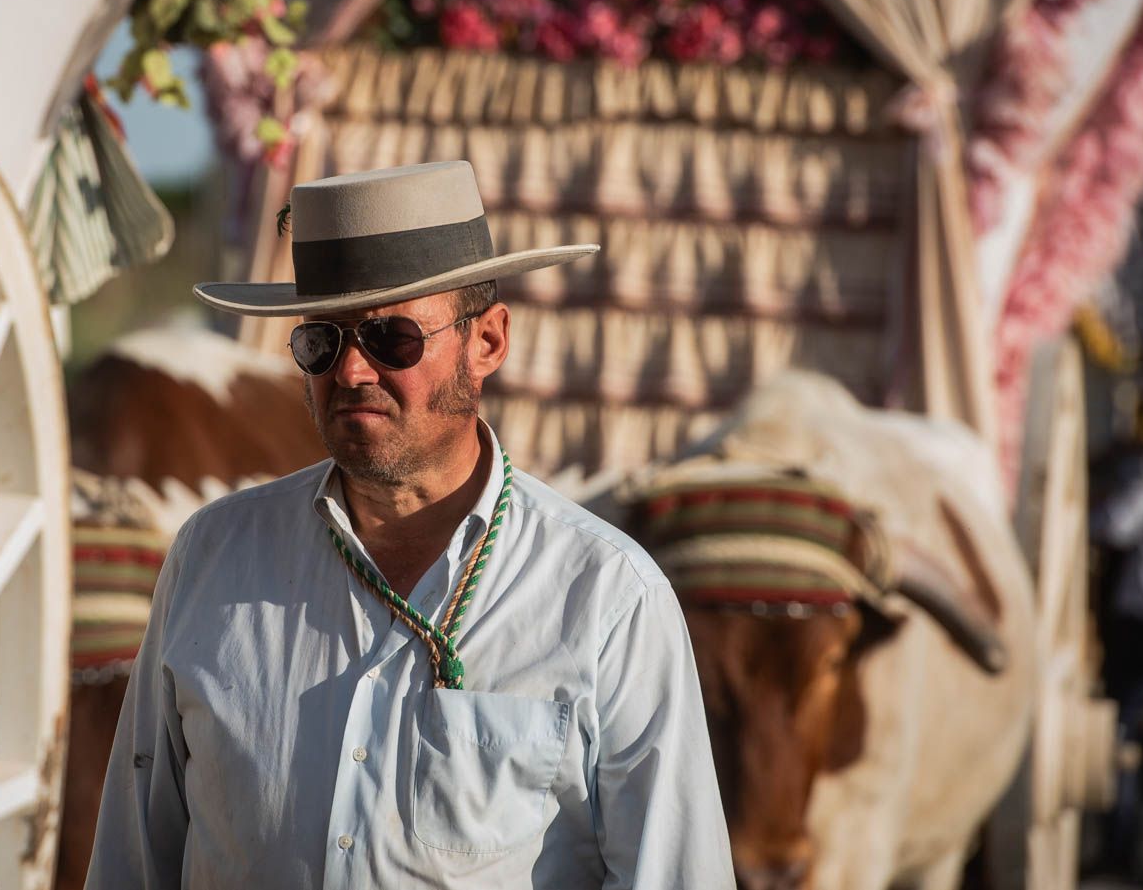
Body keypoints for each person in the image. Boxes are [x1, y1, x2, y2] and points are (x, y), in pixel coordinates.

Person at [85, 161, 732, 888]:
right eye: (321, 340)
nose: (352, 371)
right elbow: (132, 861)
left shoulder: (609, 599)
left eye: (392, 337)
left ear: (486, 342)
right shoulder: (211, 558)